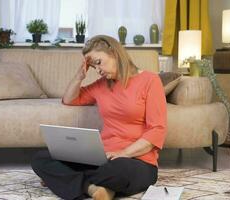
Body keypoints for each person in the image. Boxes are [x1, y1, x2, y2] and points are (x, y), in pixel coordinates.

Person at [31, 35, 167, 200]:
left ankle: (64, 179)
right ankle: (94, 188)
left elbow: (157, 130)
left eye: (98, 62)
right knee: (40, 158)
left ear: (115, 54)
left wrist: (124, 153)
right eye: (93, 66)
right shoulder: (101, 85)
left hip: (135, 160)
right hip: (102, 157)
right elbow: (69, 100)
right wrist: (79, 76)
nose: (98, 70)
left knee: (116, 171)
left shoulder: (150, 81)